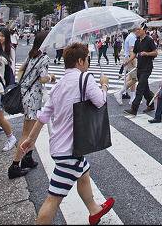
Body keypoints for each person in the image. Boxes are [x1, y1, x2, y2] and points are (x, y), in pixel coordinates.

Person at [18, 43, 115, 225]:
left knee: (83, 173)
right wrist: (104, 85)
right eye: (87, 59)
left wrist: (31, 139)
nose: (88, 63)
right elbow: (101, 102)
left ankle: (94, 209)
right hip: (70, 149)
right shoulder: (85, 79)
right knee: (53, 198)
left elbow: (43, 116)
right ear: (80, 61)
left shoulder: (59, 85)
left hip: (60, 146)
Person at [9, 31, 55, 178]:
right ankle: (15, 165)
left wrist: (24, 84)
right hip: (34, 97)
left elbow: (21, 70)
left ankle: (28, 158)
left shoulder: (32, 54)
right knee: (27, 133)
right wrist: (51, 77)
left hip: (25, 94)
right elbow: (42, 79)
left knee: (30, 130)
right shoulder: (44, 57)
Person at [124, 25, 157, 117]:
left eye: (139, 29)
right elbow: (134, 53)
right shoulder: (137, 41)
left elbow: (155, 52)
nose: (137, 31)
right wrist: (128, 61)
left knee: (140, 88)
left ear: (144, 30)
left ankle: (134, 109)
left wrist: (147, 53)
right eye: (136, 29)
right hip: (140, 67)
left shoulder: (149, 40)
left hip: (147, 68)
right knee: (145, 89)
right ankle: (151, 105)